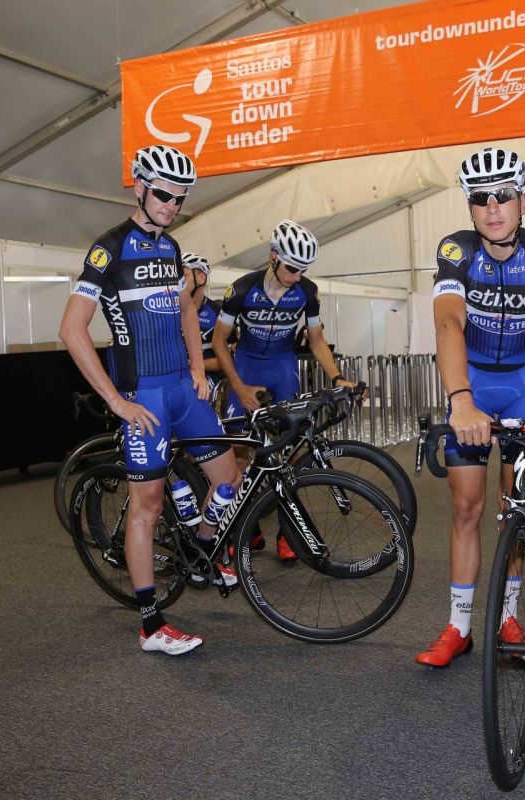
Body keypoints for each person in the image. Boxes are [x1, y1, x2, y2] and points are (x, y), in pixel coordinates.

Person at [59, 144, 242, 656]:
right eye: (163, 194)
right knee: (148, 505)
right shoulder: (109, 248)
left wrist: (196, 367)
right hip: (144, 397)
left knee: (229, 478)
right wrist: (117, 402)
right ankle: (151, 624)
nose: (171, 204)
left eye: (180, 198)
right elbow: (71, 329)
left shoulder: (171, 247)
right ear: (140, 187)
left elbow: (185, 309)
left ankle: (201, 551)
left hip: (183, 390)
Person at [417, 146, 525, 668]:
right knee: (466, 507)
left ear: (523, 202)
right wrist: (460, 401)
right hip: (472, 383)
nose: (493, 208)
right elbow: (448, 322)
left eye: (504, 196)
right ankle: (459, 627)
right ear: (469, 208)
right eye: (480, 198)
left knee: (513, 504)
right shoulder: (457, 250)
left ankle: (509, 614)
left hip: (523, 383)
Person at [213, 219, 358, 561]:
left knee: (288, 456)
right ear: (273, 256)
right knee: (237, 454)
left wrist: (338, 378)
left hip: (282, 367)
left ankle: (288, 532)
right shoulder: (241, 289)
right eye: (292, 268)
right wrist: (239, 387)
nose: (297, 276)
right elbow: (219, 342)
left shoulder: (306, 291)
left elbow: (317, 340)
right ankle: (245, 529)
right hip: (246, 365)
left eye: (303, 270)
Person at [181, 252, 232, 390]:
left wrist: (192, 364)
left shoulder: (217, 313)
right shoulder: (168, 310)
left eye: (184, 275)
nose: (178, 282)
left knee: (190, 390)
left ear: (201, 278)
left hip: (207, 375)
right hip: (176, 375)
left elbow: (226, 361)